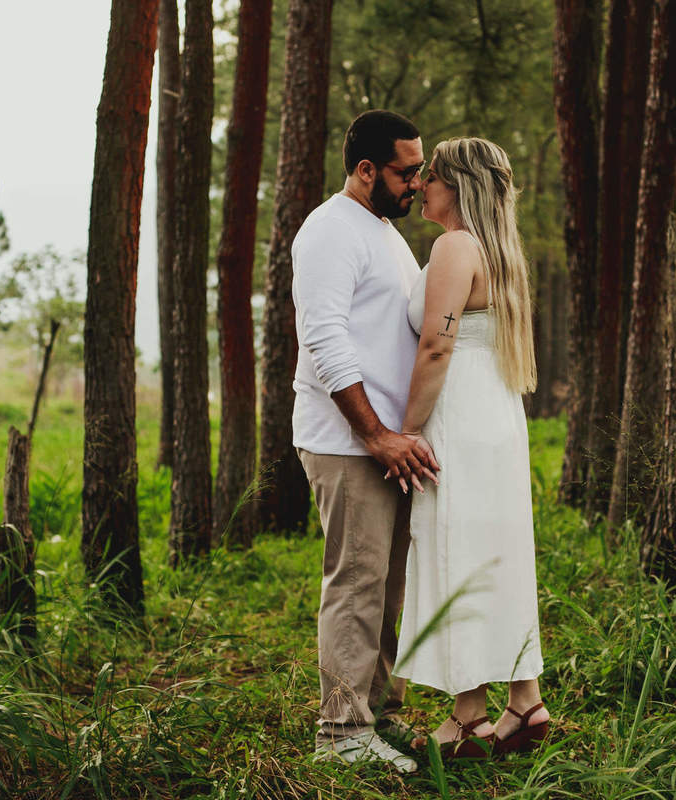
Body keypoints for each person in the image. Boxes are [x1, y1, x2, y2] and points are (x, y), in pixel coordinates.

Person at [291, 109, 440, 772]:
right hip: (349, 443)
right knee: (356, 582)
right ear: (365, 170)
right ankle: (341, 735)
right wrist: (376, 433)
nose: (417, 183)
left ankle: (374, 719)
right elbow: (325, 342)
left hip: (387, 445)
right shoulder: (331, 230)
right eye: (407, 172)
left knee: (384, 586)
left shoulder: (383, 231)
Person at [392, 137, 550, 759]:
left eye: (428, 175)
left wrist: (405, 432)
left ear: (454, 186)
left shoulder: (456, 246)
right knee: (498, 553)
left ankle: (468, 717)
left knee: (457, 552)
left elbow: (436, 347)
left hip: (458, 413)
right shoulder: (498, 250)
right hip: (497, 413)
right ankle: (526, 699)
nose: (420, 184)